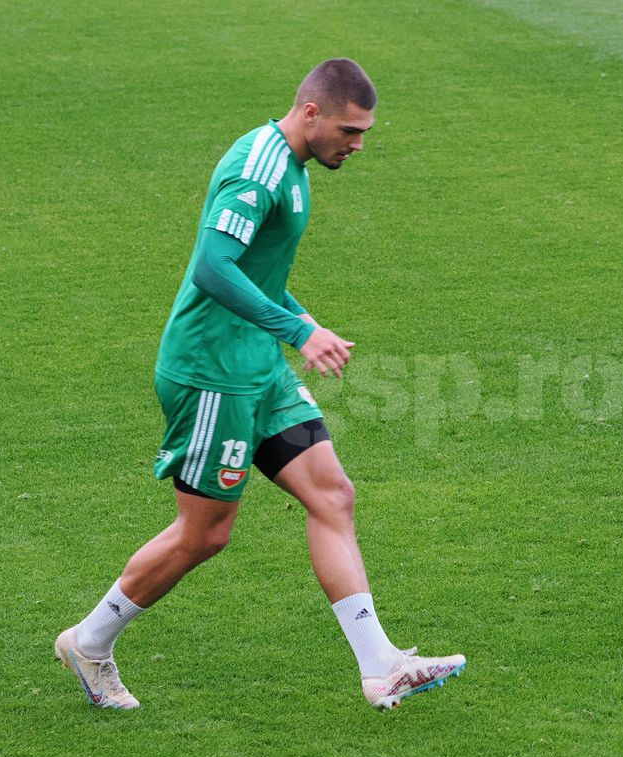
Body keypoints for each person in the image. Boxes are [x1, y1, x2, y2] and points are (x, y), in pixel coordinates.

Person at [55, 58, 464, 711]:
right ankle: (90, 641)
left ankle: (380, 664)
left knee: (332, 495)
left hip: (255, 363)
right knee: (205, 534)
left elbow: (255, 271)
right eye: (351, 131)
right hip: (211, 373)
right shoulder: (260, 171)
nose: (358, 145)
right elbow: (214, 267)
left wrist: (299, 320)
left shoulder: (295, 166)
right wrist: (297, 333)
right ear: (312, 112)